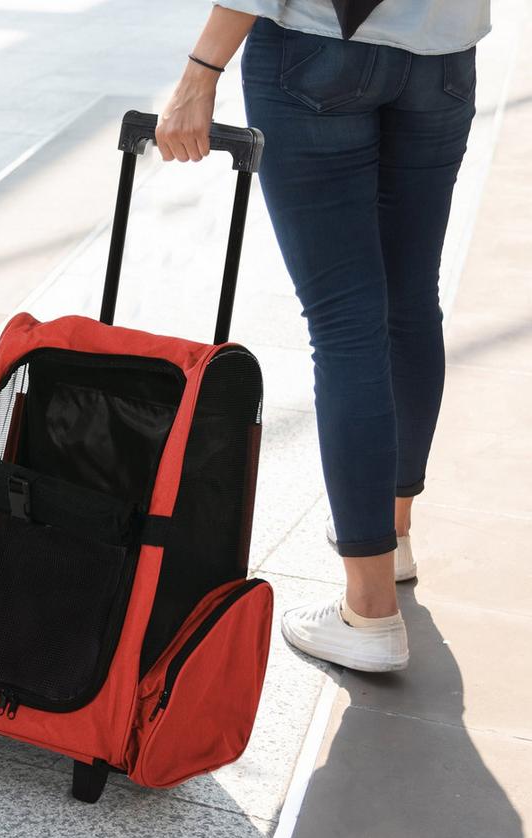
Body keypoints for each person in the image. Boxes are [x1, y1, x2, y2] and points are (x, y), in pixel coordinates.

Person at [156, 1, 490, 672]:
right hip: (444, 57)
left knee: (346, 321)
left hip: (319, 51)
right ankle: (391, 541)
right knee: (408, 301)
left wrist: (200, 70)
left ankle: (367, 613)